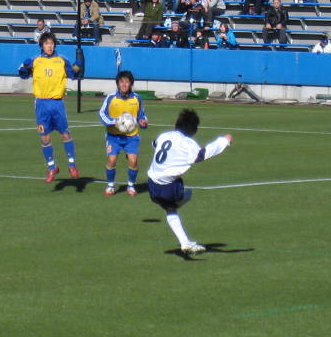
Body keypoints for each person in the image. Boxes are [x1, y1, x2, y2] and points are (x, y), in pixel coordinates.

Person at [147, 108, 233, 257]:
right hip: (169, 186)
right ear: (192, 129)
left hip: (152, 184)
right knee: (187, 195)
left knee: (170, 210)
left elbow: (154, 144)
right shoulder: (188, 143)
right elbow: (202, 155)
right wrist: (224, 141)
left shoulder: (164, 135)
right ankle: (178, 205)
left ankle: (185, 243)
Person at [18, 31, 81, 182]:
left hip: (57, 103)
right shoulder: (35, 60)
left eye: (52, 43)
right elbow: (22, 74)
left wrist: (79, 65)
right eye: (46, 43)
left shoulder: (61, 60)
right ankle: (52, 168)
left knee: (65, 134)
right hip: (41, 104)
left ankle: (72, 165)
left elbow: (74, 74)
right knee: (45, 137)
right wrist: (24, 66)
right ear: (42, 45)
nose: (50, 46)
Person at [98, 70, 149, 196]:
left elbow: (141, 115)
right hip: (113, 136)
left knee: (133, 161)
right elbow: (102, 113)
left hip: (131, 137)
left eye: (127, 82)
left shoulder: (137, 98)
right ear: (117, 84)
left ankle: (131, 186)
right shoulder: (111, 98)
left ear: (131, 83)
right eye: (121, 82)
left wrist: (143, 122)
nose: (124, 85)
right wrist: (112, 122)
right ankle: (110, 186)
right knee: (112, 160)